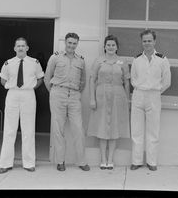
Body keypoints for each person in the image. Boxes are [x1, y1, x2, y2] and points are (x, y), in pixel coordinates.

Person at [44, 32, 90, 171]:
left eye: (74, 43)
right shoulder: (55, 57)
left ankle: (81, 162)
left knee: (78, 129)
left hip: (74, 95)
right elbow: (47, 77)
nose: (71, 45)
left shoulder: (80, 60)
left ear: (77, 44)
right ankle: (60, 161)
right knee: (58, 129)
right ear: (65, 42)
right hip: (58, 93)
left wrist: (76, 93)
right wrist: (54, 92)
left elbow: (83, 81)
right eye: (69, 43)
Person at [0, 37, 44, 173]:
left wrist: (31, 88)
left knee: (28, 129)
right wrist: (12, 88)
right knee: (9, 129)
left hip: (28, 95)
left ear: (27, 48)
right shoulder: (8, 63)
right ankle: (5, 163)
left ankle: (29, 163)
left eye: (23, 46)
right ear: (14, 48)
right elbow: (2, 80)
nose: (20, 48)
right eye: (18, 46)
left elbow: (40, 78)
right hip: (12, 94)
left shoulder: (34, 62)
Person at [87, 35, 130, 170]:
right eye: (108, 45)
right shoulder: (99, 61)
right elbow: (92, 80)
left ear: (117, 47)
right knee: (101, 127)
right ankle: (103, 159)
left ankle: (110, 159)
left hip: (118, 96)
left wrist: (127, 100)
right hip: (101, 96)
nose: (111, 47)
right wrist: (92, 98)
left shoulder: (122, 61)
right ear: (104, 46)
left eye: (113, 45)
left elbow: (127, 82)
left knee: (114, 128)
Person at [130, 29, 171, 171]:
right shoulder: (136, 60)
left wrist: (156, 91)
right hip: (138, 95)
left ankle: (152, 162)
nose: (147, 43)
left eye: (149, 40)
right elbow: (133, 78)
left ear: (154, 41)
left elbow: (167, 81)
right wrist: (141, 89)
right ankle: (136, 161)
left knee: (153, 130)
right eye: (144, 41)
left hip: (154, 95)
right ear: (142, 42)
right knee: (136, 130)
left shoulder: (162, 59)